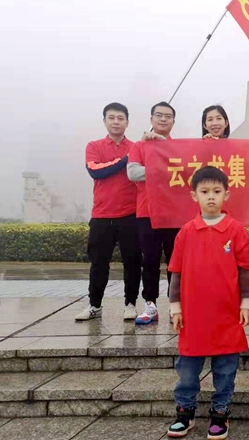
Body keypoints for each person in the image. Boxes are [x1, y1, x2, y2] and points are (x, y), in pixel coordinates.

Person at [166, 166, 249, 439]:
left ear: (227, 194)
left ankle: (220, 412)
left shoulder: (237, 231)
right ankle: (185, 412)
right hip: (193, 318)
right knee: (187, 372)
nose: (211, 196)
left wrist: (246, 303)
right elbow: (176, 273)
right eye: (205, 192)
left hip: (227, 316)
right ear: (194, 196)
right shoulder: (186, 232)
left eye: (217, 191)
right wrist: (175, 308)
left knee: (225, 371)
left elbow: (245, 271)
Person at [76, 102, 142, 321]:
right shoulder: (94, 146)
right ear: (104, 121)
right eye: (111, 118)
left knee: (132, 262)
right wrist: (124, 160)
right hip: (102, 215)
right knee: (99, 263)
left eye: (120, 118)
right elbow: (96, 171)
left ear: (127, 122)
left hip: (130, 214)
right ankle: (95, 305)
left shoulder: (136, 147)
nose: (116, 122)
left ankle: (130, 304)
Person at [127, 101, 180, 324]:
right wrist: (164, 170)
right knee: (149, 260)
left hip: (174, 213)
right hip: (147, 212)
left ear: (174, 121)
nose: (163, 119)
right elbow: (133, 173)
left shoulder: (178, 147)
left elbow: (185, 170)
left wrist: (160, 165)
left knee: (175, 261)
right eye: (159, 115)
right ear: (151, 119)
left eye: (168, 116)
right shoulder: (139, 146)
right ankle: (150, 304)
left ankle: (175, 305)